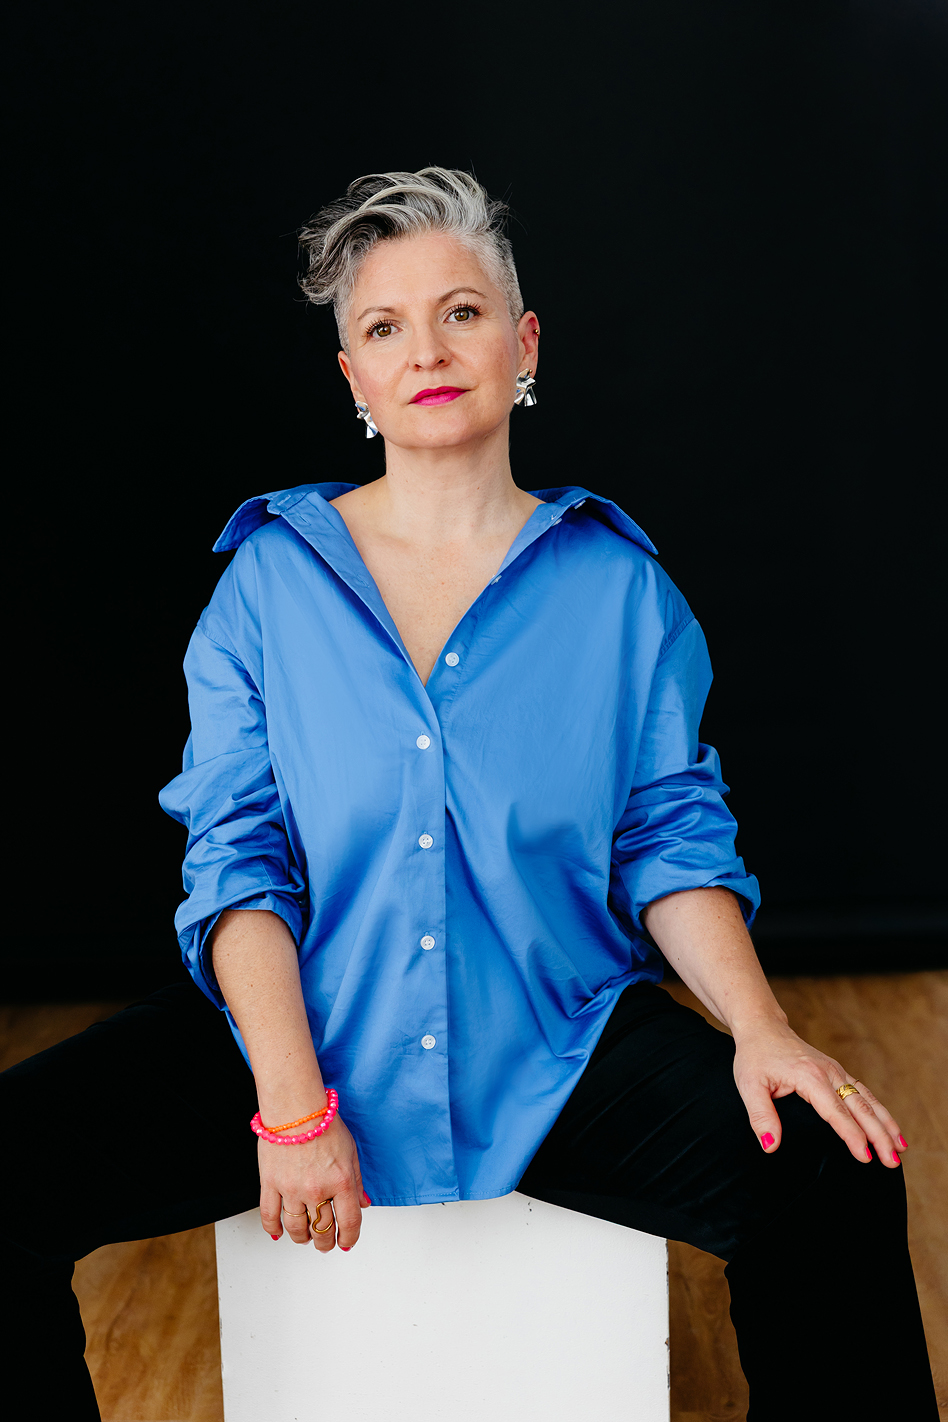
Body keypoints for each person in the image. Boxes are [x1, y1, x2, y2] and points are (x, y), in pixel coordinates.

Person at [1, 168, 937, 1421]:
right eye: (385, 327)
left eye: (461, 313)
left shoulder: (621, 590)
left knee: (834, 1170)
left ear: (523, 343)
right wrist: (292, 1108)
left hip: (555, 1045)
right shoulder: (267, 585)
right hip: (298, 1032)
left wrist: (762, 1029)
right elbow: (237, 862)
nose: (428, 352)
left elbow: (669, 839)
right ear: (354, 378)